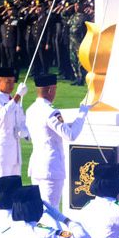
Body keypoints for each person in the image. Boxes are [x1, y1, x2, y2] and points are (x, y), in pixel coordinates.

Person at [25, 73, 90, 208]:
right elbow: (70, 135)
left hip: (37, 166)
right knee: (51, 210)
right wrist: (82, 114)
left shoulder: (31, 109)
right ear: (50, 90)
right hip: (51, 167)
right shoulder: (51, 112)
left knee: (38, 209)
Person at [0, 67, 29, 193]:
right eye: (8, 81)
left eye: (13, 82)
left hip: (15, 151)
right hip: (1, 151)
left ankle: (12, 213)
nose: (11, 85)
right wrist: (18, 95)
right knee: (1, 189)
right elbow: (3, 113)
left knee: (15, 189)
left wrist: (25, 133)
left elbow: (21, 121)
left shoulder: (14, 101)